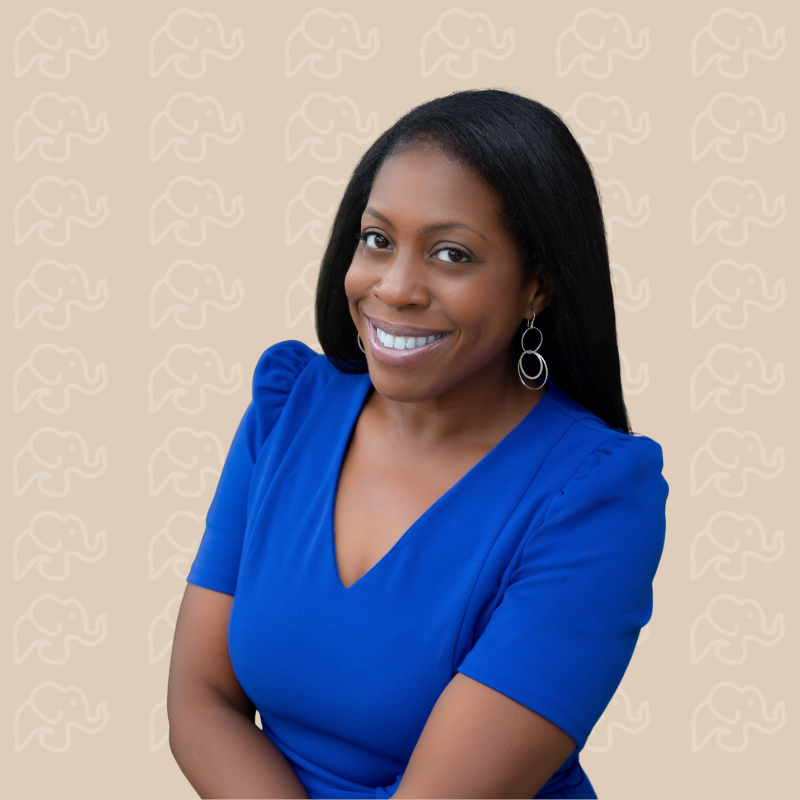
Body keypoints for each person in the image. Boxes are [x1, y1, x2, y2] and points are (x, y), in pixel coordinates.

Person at [167, 88, 668, 800]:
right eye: (378, 240)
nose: (395, 288)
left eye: (452, 254)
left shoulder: (595, 499)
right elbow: (200, 699)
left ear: (538, 287)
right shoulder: (289, 411)